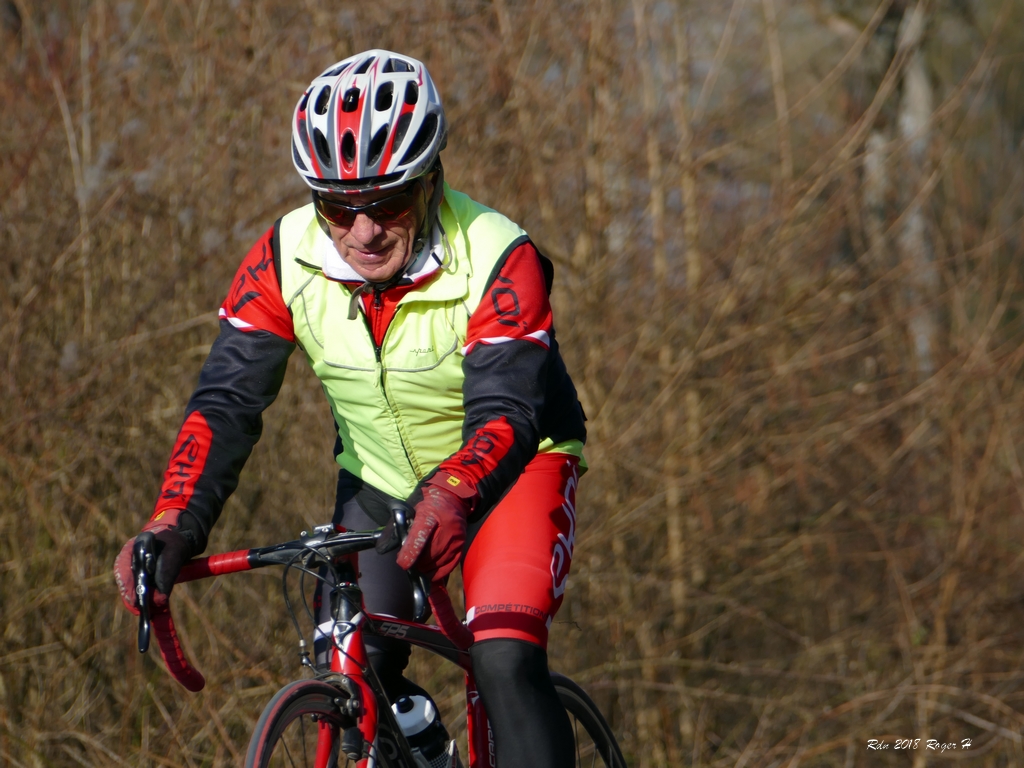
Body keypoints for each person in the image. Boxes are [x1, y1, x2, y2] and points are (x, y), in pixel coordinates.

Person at [113, 49, 587, 768]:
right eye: (338, 207)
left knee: (503, 657)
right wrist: (173, 521)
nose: (363, 232)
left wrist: (454, 492)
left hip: (515, 470)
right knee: (352, 654)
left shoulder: (496, 253)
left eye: (388, 204)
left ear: (430, 182)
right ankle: (417, 740)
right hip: (380, 477)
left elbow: (507, 412)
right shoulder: (281, 258)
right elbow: (228, 400)